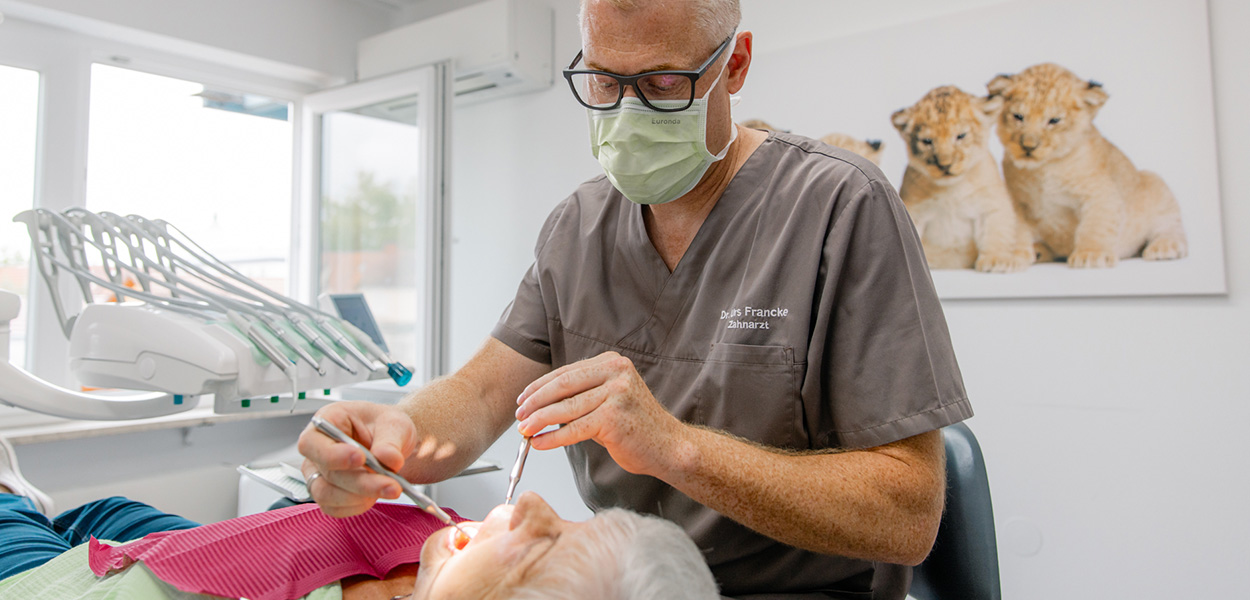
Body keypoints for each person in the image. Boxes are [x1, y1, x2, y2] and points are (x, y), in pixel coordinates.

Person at [299, 0, 972, 597]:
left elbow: (909, 518)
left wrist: (674, 448)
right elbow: (480, 396)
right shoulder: (578, 227)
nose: (626, 112)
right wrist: (397, 437)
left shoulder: (839, 208)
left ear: (734, 65)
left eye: (662, 83)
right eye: (603, 80)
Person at [0, 437, 718, 599]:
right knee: (104, 511)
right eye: (570, 521)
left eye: (539, 548)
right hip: (194, 548)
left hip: (77, 584)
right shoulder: (447, 551)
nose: (528, 505)